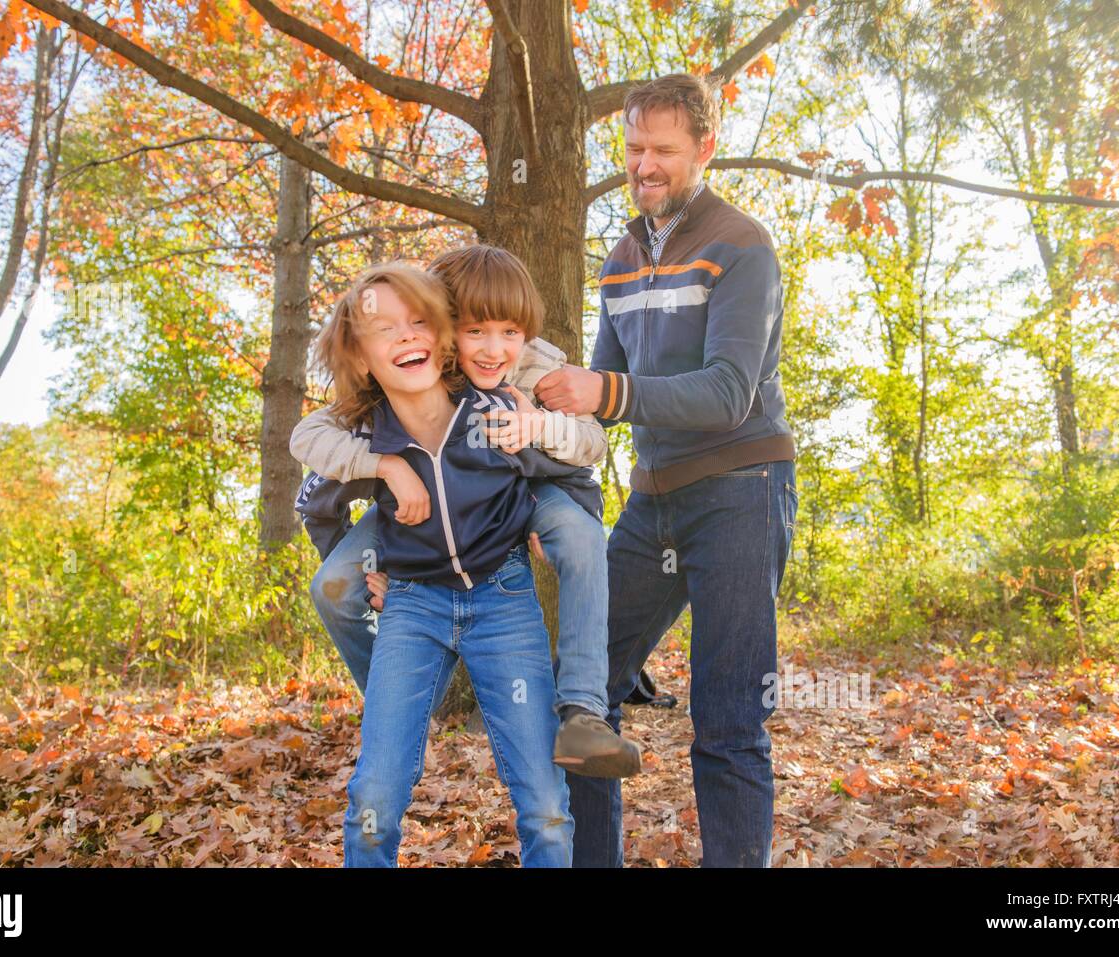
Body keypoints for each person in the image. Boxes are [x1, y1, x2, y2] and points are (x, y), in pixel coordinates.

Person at [534, 73, 799, 867]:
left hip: (741, 490)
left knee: (728, 718)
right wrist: (563, 517)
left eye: (662, 150)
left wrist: (605, 390)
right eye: (633, 148)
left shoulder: (742, 245)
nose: (643, 164)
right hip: (653, 504)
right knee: (579, 696)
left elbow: (727, 392)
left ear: (705, 149)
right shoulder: (618, 259)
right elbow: (593, 414)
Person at [294, 245, 641, 778]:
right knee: (334, 587)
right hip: (424, 503)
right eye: (474, 331)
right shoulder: (419, 364)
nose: (493, 348)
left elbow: (593, 442)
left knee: (580, 536)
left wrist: (540, 427)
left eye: (509, 331)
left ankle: (583, 713)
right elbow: (310, 434)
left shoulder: (536, 366)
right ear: (441, 325)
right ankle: (405, 699)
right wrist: (385, 464)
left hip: (526, 492)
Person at [300, 261, 579, 866]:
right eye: (383, 330)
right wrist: (388, 470)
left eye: (418, 322)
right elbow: (307, 449)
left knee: (545, 799)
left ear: (443, 333)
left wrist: (542, 517)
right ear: (358, 355)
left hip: (502, 600)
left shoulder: (491, 401)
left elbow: (571, 437)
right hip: (411, 607)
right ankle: (399, 710)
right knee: (375, 790)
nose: (404, 336)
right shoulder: (364, 430)